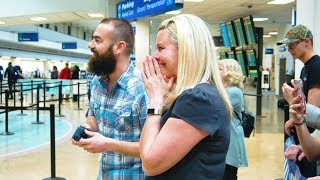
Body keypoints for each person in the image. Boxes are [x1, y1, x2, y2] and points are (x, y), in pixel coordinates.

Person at [139, 14, 232, 179]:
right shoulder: (194, 95)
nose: (154, 55)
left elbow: (150, 164)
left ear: (186, 50)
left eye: (161, 48)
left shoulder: (198, 99)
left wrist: (155, 101)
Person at [72, 18, 147, 179]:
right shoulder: (97, 81)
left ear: (119, 47)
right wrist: (87, 129)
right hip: (104, 174)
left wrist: (107, 143)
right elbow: (94, 116)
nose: (90, 45)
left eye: (97, 40)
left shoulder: (142, 88)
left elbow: (153, 148)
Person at [281, 24, 320, 177]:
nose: (289, 48)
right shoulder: (306, 68)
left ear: (307, 42)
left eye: (293, 43)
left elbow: (312, 108)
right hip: (306, 138)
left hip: (312, 136)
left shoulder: (316, 66)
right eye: (288, 45)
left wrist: (294, 118)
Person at [218, 59, 248, 180]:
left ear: (229, 72)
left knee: (228, 174)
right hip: (225, 139)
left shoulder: (234, 92)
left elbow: (214, 105)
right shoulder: (222, 90)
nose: (215, 71)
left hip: (231, 140)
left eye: (219, 68)